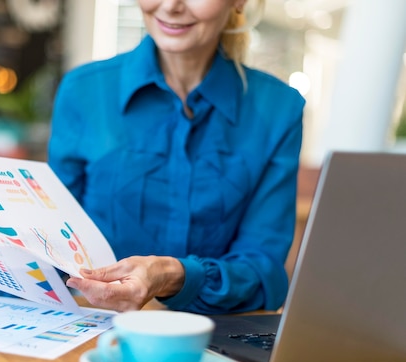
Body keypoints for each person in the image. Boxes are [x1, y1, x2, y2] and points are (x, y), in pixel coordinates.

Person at [47, 0, 305, 314]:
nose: (170, 6)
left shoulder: (279, 109)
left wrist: (173, 277)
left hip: (211, 344)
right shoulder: (84, 91)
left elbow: (264, 274)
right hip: (92, 334)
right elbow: (49, 241)